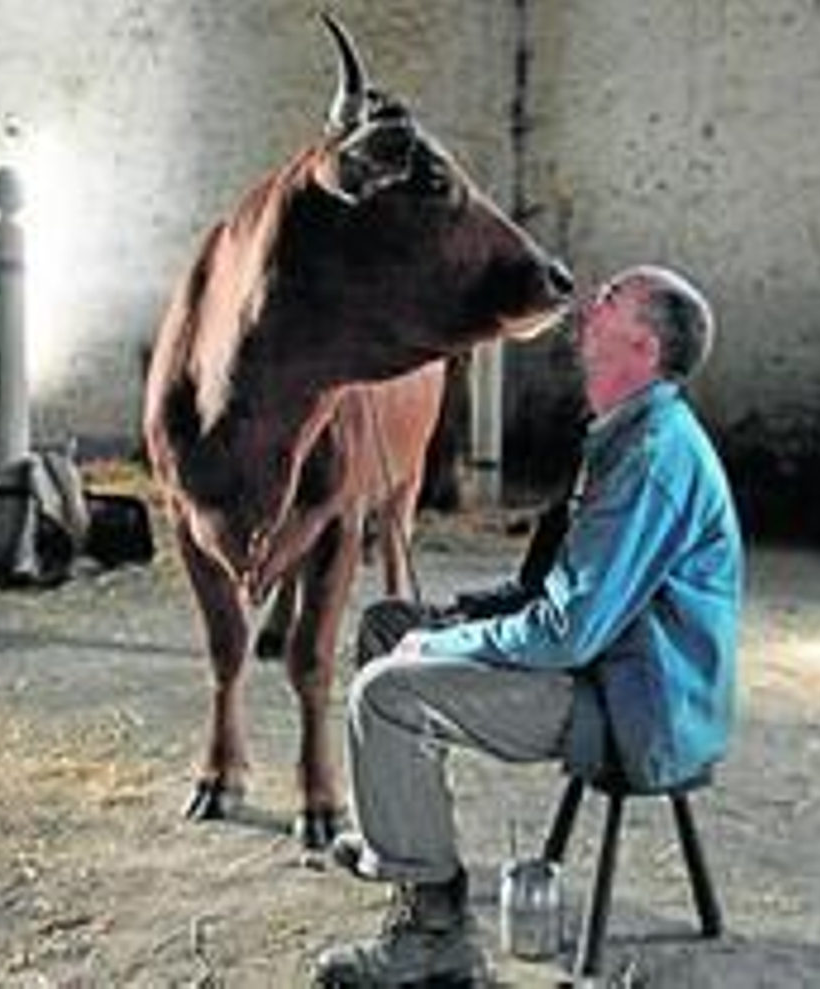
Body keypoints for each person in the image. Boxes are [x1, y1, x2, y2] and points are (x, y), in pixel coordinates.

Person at [313, 265, 745, 987]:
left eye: (613, 297)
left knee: (387, 695)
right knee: (390, 625)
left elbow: (565, 632)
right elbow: (553, 590)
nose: (593, 298)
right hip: (606, 663)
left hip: (636, 707)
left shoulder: (651, 457)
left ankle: (436, 936)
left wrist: (445, 643)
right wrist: (455, 618)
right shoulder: (621, 431)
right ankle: (405, 838)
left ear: (641, 346)